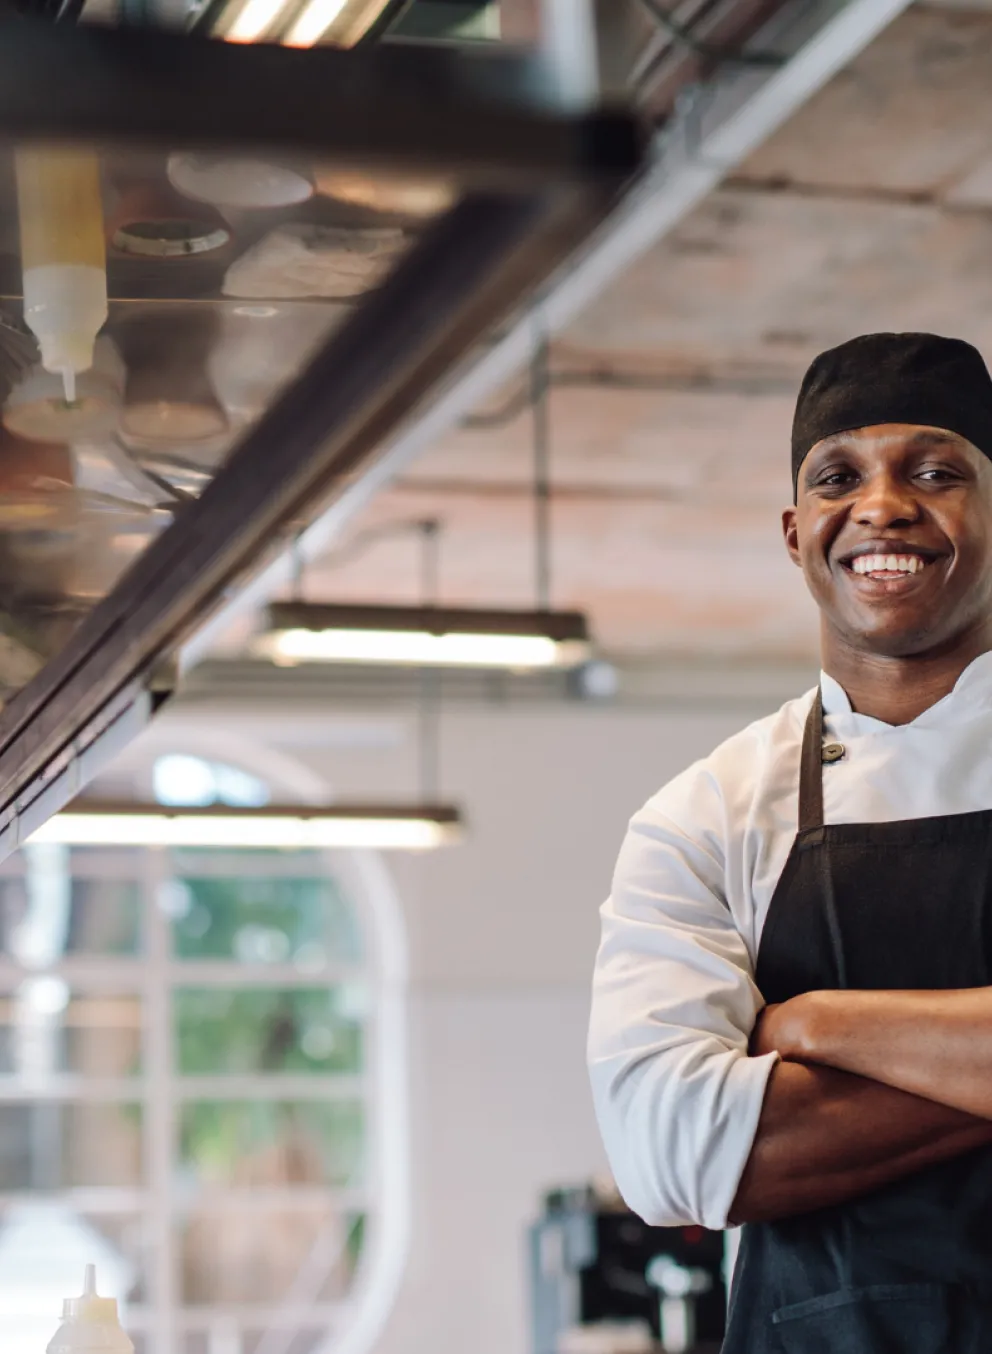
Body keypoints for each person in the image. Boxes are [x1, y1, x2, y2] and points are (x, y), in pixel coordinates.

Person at [587, 331, 992, 1352]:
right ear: (793, 528)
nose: (883, 504)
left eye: (934, 470)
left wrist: (811, 1023)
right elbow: (668, 1158)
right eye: (837, 476)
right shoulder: (706, 815)